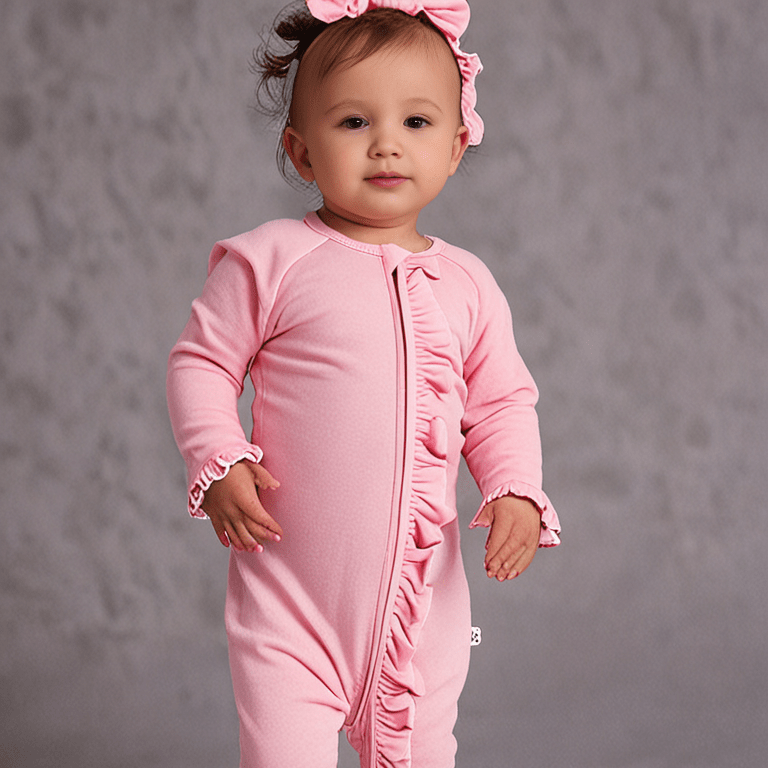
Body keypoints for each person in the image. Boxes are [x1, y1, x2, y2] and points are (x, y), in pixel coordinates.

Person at [167, 1, 561, 766]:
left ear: (456, 145)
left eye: (416, 122)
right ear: (301, 151)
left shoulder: (470, 285)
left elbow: (502, 404)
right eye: (353, 122)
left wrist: (513, 486)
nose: (386, 143)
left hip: (427, 610)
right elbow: (202, 363)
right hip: (289, 609)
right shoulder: (271, 262)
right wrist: (218, 457)